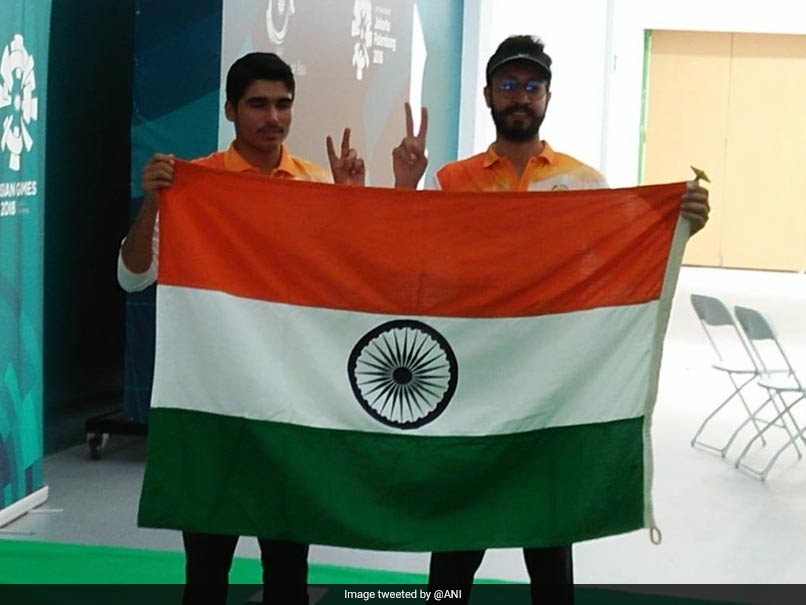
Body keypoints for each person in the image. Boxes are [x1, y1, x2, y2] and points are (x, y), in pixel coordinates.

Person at [392, 35, 710, 605]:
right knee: (455, 553)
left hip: (551, 389)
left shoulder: (584, 183)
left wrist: (681, 227)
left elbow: (616, 269)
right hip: (475, 385)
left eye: (531, 86)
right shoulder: (452, 182)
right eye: (509, 86)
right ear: (488, 95)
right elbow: (418, 266)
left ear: (547, 96)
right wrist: (406, 187)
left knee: (549, 552)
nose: (520, 97)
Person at [117, 52, 364, 605]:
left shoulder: (316, 184)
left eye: (282, 104)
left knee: (287, 571)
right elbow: (133, 278)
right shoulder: (195, 185)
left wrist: (352, 202)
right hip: (214, 405)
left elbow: (353, 282)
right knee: (205, 572)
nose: (271, 116)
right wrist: (153, 206)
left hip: (292, 406)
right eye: (257, 104)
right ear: (230, 110)